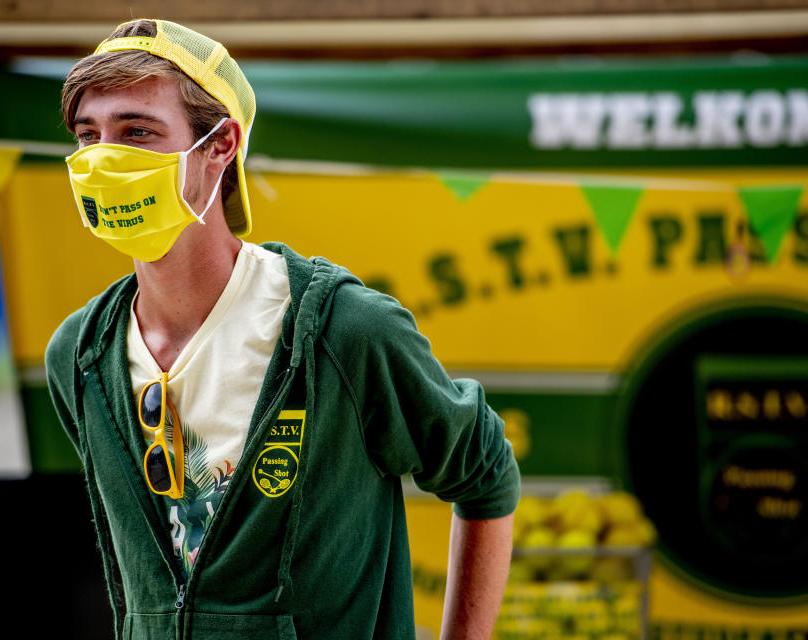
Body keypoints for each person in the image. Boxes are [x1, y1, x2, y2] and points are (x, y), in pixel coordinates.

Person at [45, 18, 520, 640]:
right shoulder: (80, 356)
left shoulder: (344, 331)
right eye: (88, 135)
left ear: (220, 146)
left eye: (138, 132)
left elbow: (484, 472)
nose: (104, 158)